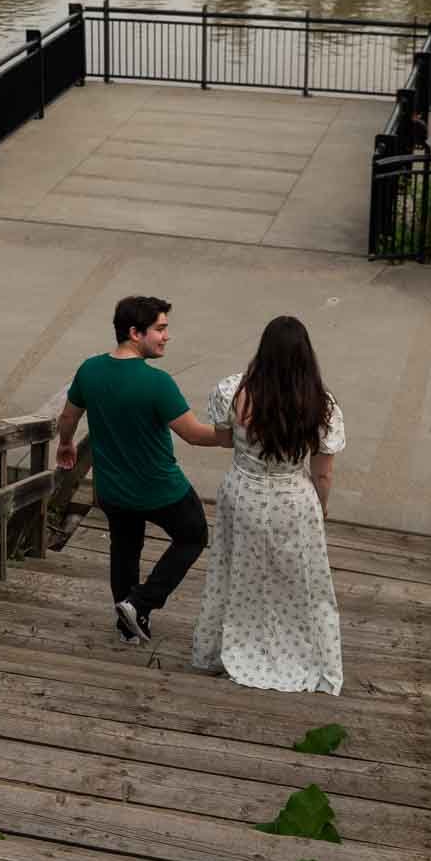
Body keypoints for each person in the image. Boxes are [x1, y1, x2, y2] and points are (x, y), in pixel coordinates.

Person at [56, 294, 227, 645]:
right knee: (193, 535)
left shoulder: (89, 369)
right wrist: (239, 436)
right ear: (135, 333)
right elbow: (195, 435)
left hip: (112, 490)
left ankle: (129, 628)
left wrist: (65, 443)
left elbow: (68, 416)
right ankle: (141, 603)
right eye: (160, 329)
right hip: (159, 488)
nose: (167, 336)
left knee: (124, 549)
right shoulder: (157, 383)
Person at [191, 315, 345, 694]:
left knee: (234, 572)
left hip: (243, 492)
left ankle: (225, 648)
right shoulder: (321, 406)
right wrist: (321, 507)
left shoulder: (233, 391)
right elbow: (323, 473)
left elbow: (225, 440)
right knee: (301, 581)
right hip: (293, 499)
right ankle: (302, 654)